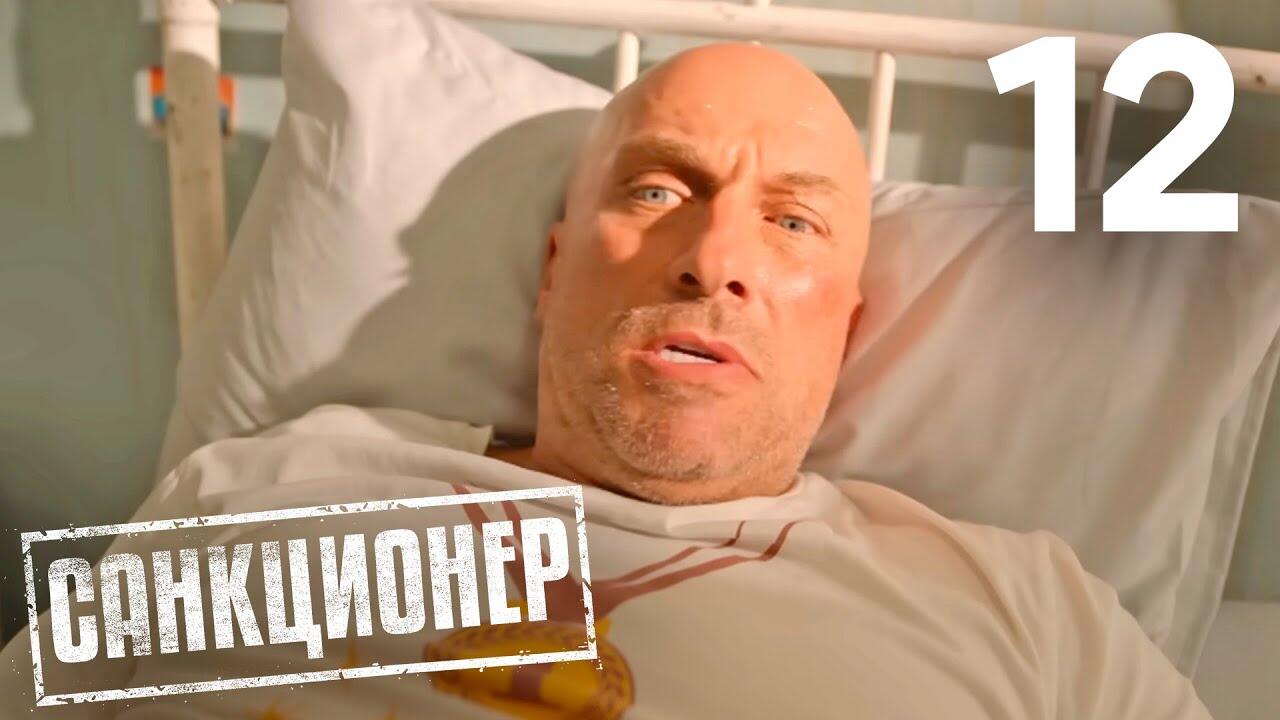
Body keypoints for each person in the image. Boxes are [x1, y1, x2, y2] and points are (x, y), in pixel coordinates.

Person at [0, 42, 1212, 720]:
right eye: (656, 190)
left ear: (845, 331)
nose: (713, 259)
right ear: (551, 270)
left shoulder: (1026, 613)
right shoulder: (265, 484)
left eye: (791, 222)